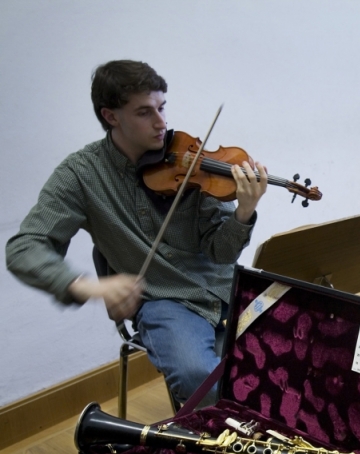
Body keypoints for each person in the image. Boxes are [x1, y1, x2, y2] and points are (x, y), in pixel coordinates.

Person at [6, 60, 269, 408]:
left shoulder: (189, 158)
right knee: (198, 377)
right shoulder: (81, 175)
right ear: (111, 116)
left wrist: (243, 212)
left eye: (162, 108)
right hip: (164, 300)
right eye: (145, 113)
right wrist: (86, 285)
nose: (161, 123)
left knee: (294, 352)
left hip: (224, 285)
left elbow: (221, 253)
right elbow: (24, 248)